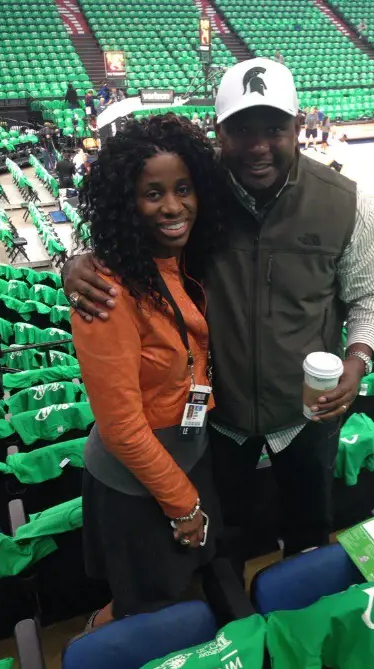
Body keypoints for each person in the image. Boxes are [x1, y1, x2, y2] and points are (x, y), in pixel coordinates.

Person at [63, 58, 374, 573]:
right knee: (225, 540)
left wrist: (359, 357)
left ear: (298, 126)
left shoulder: (348, 205)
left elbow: (371, 297)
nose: (259, 146)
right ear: (219, 133)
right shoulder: (196, 192)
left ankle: (301, 623)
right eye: (241, 130)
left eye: (274, 129)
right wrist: (78, 261)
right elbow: (132, 228)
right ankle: (234, 627)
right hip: (219, 420)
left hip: (307, 416)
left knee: (309, 528)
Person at [72, 115, 223, 628]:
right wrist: (183, 505)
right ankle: (91, 650)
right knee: (141, 608)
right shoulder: (107, 292)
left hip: (189, 454)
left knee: (174, 590)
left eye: (183, 189)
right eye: (152, 193)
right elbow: (120, 427)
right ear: (125, 203)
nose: (173, 206)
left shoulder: (186, 257)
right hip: (138, 483)